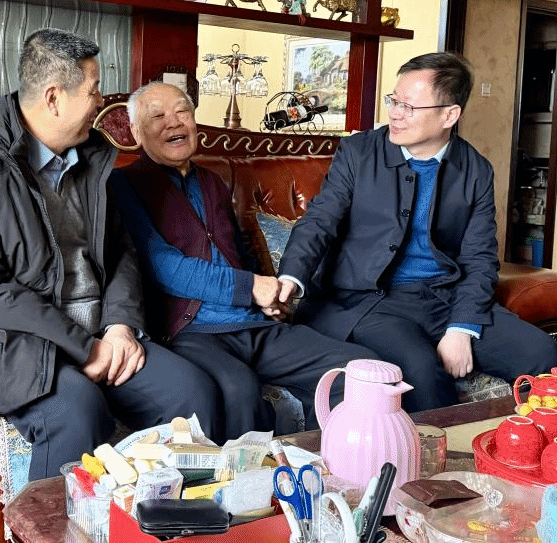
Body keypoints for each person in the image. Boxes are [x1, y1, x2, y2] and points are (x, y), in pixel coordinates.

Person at [0, 29, 220, 479]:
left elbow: (121, 251)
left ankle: (169, 516)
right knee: (78, 412)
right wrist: (84, 348)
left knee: (193, 391)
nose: (101, 102)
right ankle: (48, 519)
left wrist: (120, 326)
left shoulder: (91, 158)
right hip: (24, 343)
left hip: (102, 332)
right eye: (93, 90)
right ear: (53, 98)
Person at [277, 52, 557, 412]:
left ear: (449, 115)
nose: (395, 114)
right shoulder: (359, 153)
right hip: (370, 299)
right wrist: (290, 279)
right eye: (394, 101)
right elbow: (320, 220)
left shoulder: (475, 170)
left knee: (542, 355)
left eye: (409, 107)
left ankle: (530, 445)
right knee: (421, 373)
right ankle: (444, 452)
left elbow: (479, 258)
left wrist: (461, 327)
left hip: (443, 297)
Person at [109, 82, 376, 440]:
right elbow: (163, 267)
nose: (174, 122)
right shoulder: (124, 184)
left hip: (252, 323)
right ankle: (245, 478)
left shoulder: (212, 181)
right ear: (136, 131)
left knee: (359, 370)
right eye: (157, 116)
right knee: (238, 390)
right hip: (193, 330)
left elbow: (239, 251)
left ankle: (326, 461)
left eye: (182, 112)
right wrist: (251, 288)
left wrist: (272, 299)